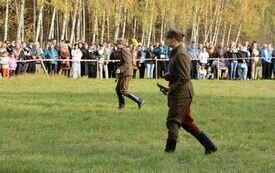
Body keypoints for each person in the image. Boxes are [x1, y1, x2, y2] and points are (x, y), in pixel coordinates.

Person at [162, 28, 217, 154]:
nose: (166, 40)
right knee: (186, 122)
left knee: (173, 121)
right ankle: (210, 146)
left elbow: (185, 77)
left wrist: (171, 89)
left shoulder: (180, 54)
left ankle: (169, 151)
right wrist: (169, 76)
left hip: (182, 94)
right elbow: (178, 74)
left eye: (167, 38)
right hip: (180, 92)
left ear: (174, 39)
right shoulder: (175, 52)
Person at [115, 38, 144, 109]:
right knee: (118, 89)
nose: (116, 45)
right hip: (124, 72)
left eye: (118, 44)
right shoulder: (123, 50)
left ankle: (139, 100)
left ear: (121, 44)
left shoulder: (124, 50)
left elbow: (127, 63)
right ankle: (122, 106)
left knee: (123, 90)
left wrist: (120, 69)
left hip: (126, 73)